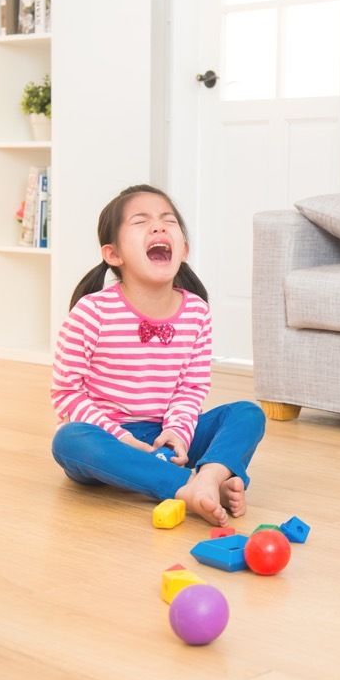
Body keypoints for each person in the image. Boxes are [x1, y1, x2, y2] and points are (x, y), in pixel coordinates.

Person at [50, 184, 266, 527]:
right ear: (113, 255)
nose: (158, 226)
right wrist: (122, 437)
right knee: (68, 441)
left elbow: (191, 389)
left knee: (247, 414)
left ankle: (209, 476)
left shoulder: (197, 312)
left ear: (184, 249)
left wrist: (179, 433)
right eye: (140, 221)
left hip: (168, 438)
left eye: (168, 220)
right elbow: (66, 393)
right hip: (109, 442)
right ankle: (186, 487)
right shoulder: (91, 312)